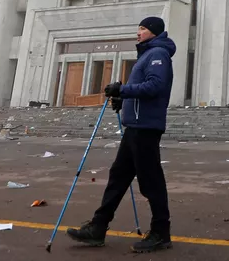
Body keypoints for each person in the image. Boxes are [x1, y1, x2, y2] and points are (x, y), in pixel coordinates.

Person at [67, 16, 176, 253]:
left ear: (154, 32)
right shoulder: (148, 54)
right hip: (134, 127)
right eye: (138, 29)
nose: (138, 33)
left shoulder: (158, 54)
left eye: (142, 29)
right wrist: (122, 99)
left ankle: (161, 232)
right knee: (117, 178)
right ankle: (98, 227)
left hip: (145, 128)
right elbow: (143, 90)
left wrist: (123, 90)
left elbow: (155, 86)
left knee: (151, 182)